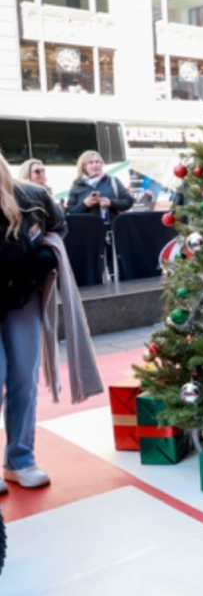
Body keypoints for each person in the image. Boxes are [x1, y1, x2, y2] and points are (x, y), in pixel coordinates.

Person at [0, 152, 67, 494]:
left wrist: (44, 256)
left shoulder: (32, 196)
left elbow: (59, 226)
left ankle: (20, 459)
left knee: (24, 377)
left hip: (22, 296)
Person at [66, 151, 134, 222]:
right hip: (85, 228)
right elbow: (71, 212)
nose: (95, 165)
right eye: (91, 163)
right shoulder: (77, 184)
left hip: (110, 227)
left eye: (97, 162)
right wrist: (84, 204)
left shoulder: (112, 181)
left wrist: (111, 202)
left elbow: (128, 202)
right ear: (84, 166)